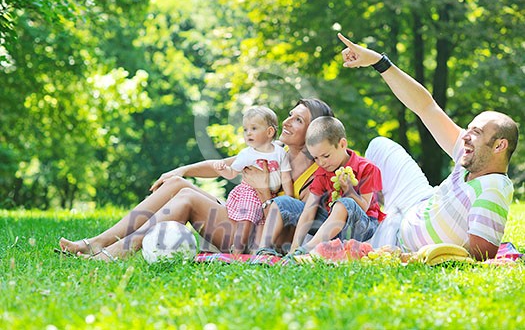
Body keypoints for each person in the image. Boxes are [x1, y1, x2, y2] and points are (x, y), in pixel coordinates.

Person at [58, 98, 334, 260]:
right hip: (239, 219)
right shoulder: (276, 151)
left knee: (188, 197)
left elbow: (296, 222)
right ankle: (97, 242)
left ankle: (114, 253)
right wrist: (181, 171)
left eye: (298, 120)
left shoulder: (316, 173)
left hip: (254, 238)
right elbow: (221, 165)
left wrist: (264, 191)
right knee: (178, 185)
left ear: (315, 131)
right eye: (290, 116)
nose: (287, 122)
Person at [337, 32, 519, 261]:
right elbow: (426, 107)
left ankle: (364, 222)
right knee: (379, 146)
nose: (466, 136)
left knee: (324, 239)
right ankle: (370, 212)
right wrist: (378, 61)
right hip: (416, 203)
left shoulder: (492, 188)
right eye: (469, 129)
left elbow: (479, 256)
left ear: (499, 146)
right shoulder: (470, 157)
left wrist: (408, 257)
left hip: (395, 239)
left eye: (477, 132)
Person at [257, 116, 384, 256]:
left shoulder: (367, 168)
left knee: (344, 203)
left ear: (342, 144)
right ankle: (264, 250)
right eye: (316, 158)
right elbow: (308, 211)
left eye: (326, 156)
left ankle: (308, 248)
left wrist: (349, 190)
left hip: (362, 225)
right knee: (282, 203)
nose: (321, 162)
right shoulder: (322, 172)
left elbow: (364, 206)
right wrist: (294, 247)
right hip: (330, 224)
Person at [213, 106, 293, 253]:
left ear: (269, 132)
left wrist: (289, 198)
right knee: (246, 221)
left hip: (270, 195)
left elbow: (286, 177)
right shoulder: (247, 154)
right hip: (249, 191)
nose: (248, 133)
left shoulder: (280, 153)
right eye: (245, 129)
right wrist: (223, 169)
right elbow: (232, 173)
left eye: (254, 128)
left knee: (263, 224)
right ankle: (236, 251)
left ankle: (256, 251)